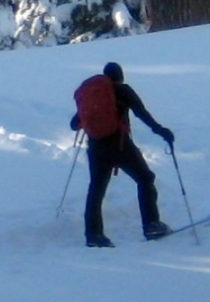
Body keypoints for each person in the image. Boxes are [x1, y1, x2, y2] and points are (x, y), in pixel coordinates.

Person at [71, 61, 174, 247]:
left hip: (96, 148)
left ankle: (93, 235)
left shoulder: (95, 95)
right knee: (145, 178)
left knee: (96, 189)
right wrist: (161, 131)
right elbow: (141, 113)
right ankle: (152, 225)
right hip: (119, 145)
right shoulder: (123, 90)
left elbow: (74, 124)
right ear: (120, 76)